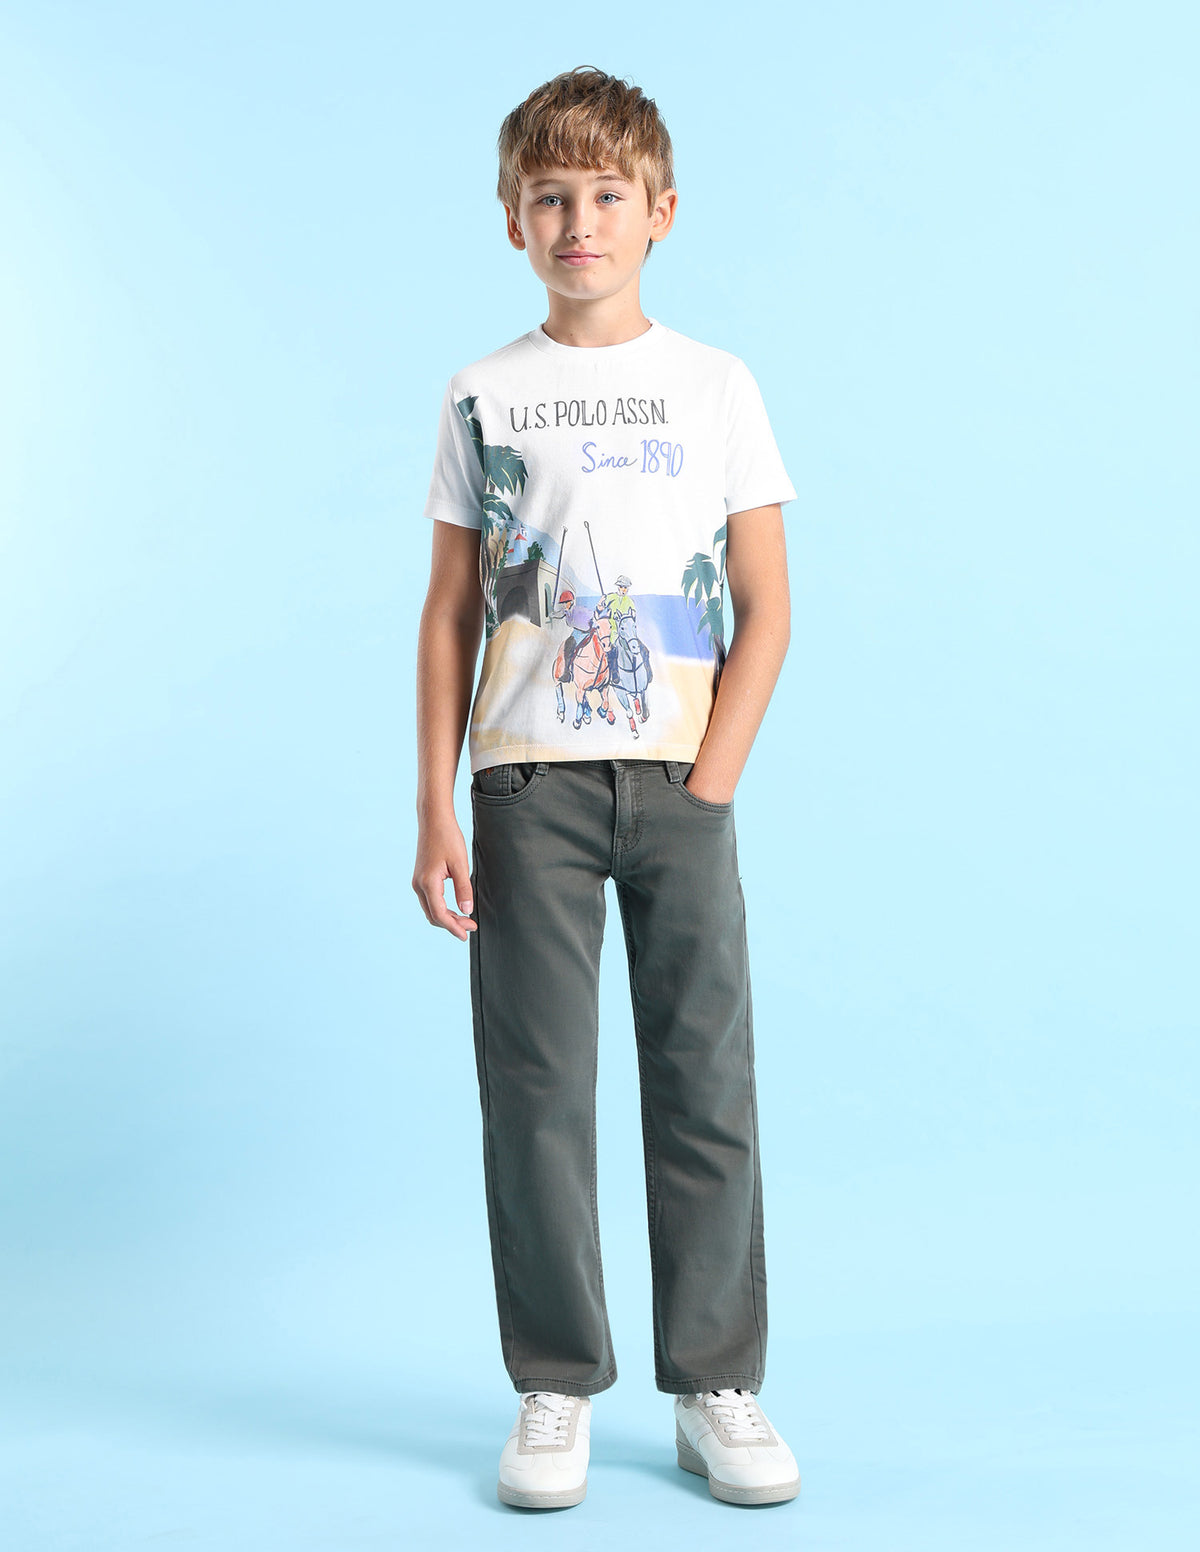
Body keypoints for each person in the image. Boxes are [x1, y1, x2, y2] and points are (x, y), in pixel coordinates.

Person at [413, 64, 801, 1511]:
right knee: (535, 1087)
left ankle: (716, 1383)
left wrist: (711, 779)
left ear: (660, 213)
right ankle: (555, 1384)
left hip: (680, 784)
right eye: (550, 197)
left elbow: (767, 603)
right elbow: (452, 612)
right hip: (527, 788)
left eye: (605, 195)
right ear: (512, 219)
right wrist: (437, 804)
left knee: (704, 1078)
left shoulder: (716, 386)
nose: (579, 222)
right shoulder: (482, 393)